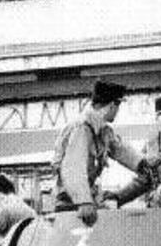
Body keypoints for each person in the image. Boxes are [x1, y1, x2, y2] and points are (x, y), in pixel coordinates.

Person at [53, 80, 143, 227]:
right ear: (113, 105)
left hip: (85, 201)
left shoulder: (102, 130)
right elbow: (72, 167)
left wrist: (142, 164)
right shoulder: (82, 128)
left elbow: (119, 148)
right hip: (71, 204)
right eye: (118, 106)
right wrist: (84, 201)